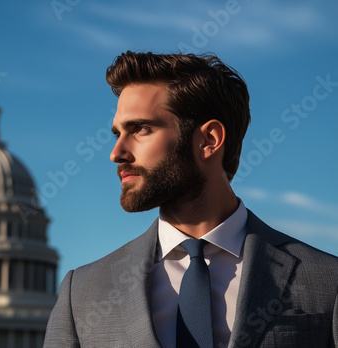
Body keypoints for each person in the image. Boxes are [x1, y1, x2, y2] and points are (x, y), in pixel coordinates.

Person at [43, 51, 338, 348]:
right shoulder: (81, 293)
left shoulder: (327, 282)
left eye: (141, 129)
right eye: (117, 133)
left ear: (209, 140)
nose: (116, 153)